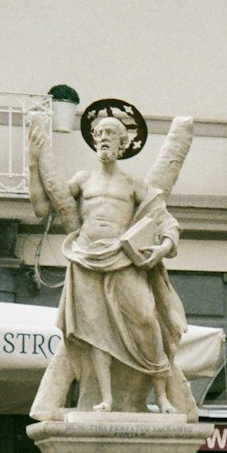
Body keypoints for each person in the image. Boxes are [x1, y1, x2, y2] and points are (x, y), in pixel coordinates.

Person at [26, 101, 196, 419]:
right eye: (99, 133)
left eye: (110, 134)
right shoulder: (82, 180)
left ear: (123, 144)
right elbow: (40, 207)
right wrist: (32, 162)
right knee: (95, 334)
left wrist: (164, 246)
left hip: (125, 259)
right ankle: (103, 400)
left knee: (147, 319)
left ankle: (161, 396)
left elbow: (165, 220)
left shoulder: (133, 184)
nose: (104, 138)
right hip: (86, 260)